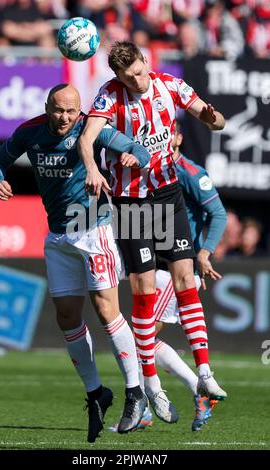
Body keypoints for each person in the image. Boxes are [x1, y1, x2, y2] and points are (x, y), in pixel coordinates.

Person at [0, 83, 151, 442]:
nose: (65, 117)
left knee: (107, 310)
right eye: (58, 110)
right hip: (58, 236)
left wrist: (133, 157)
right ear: (47, 106)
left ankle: (136, 392)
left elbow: (140, 150)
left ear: (80, 111)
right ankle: (96, 393)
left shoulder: (91, 128)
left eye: (72, 111)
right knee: (66, 317)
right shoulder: (29, 131)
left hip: (93, 228)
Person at [78, 41, 227, 419]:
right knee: (143, 292)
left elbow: (216, 120)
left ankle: (205, 372)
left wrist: (212, 118)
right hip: (130, 202)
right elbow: (86, 137)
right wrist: (94, 168)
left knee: (185, 279)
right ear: (118, 77)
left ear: (147, 62)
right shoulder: (109, 95)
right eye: (129, 78)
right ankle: (151, 386)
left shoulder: (170, 86)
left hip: (166, 194)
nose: (138, 81)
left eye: (140, 72)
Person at [109, 124, 227, 433]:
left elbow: (218, 213)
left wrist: (204, 253)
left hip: (171, 265)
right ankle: (189, 390)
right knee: (139, 339)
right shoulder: (146, 170)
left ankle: (177, 395)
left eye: (167, 132)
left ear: (176, 137)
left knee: (138, 339)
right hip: (158, 258)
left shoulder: (186, 170)